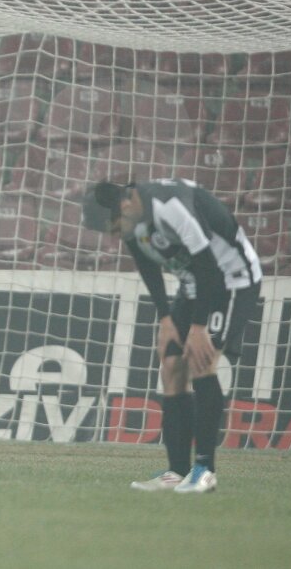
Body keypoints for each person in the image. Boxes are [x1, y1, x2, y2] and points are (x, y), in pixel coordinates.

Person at [82, 179, 262, 494]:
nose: (116, 235)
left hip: (232, 279)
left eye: (114, 227)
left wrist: (197, 327)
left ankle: (205, 470)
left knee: (200, 360)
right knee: (170, 367)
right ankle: (176, 471)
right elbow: (145, 264)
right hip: (193, 285)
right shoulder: (133, 219)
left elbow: (208, 265)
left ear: (125, 205)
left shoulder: (171, 207)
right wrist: (165, 318)